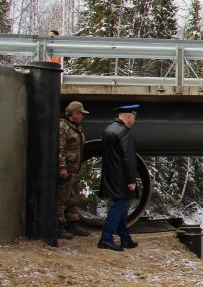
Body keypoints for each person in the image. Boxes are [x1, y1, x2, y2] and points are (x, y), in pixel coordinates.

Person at [98, 104, 140, 251]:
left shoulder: (109, 129)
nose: (134, 120)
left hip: (111, 175)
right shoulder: (124, 132)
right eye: (134, 117)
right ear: (128, 116)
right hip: (121, 177)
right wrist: (131, 180)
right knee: (119, 206)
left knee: (121, 207)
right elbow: (128, 158)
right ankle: (106, 238)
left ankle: (125, 238)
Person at [57, 101, 92, 239]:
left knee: (72, 198)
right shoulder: (63, 127)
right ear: (74, 113)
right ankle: (58, 227)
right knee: (62, 198)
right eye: (81, 114)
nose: (83, 116)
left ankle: (73, 225)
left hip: (74, 169)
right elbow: (59, 148)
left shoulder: (76, 128)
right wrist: (62, 167)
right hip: (67, 170)